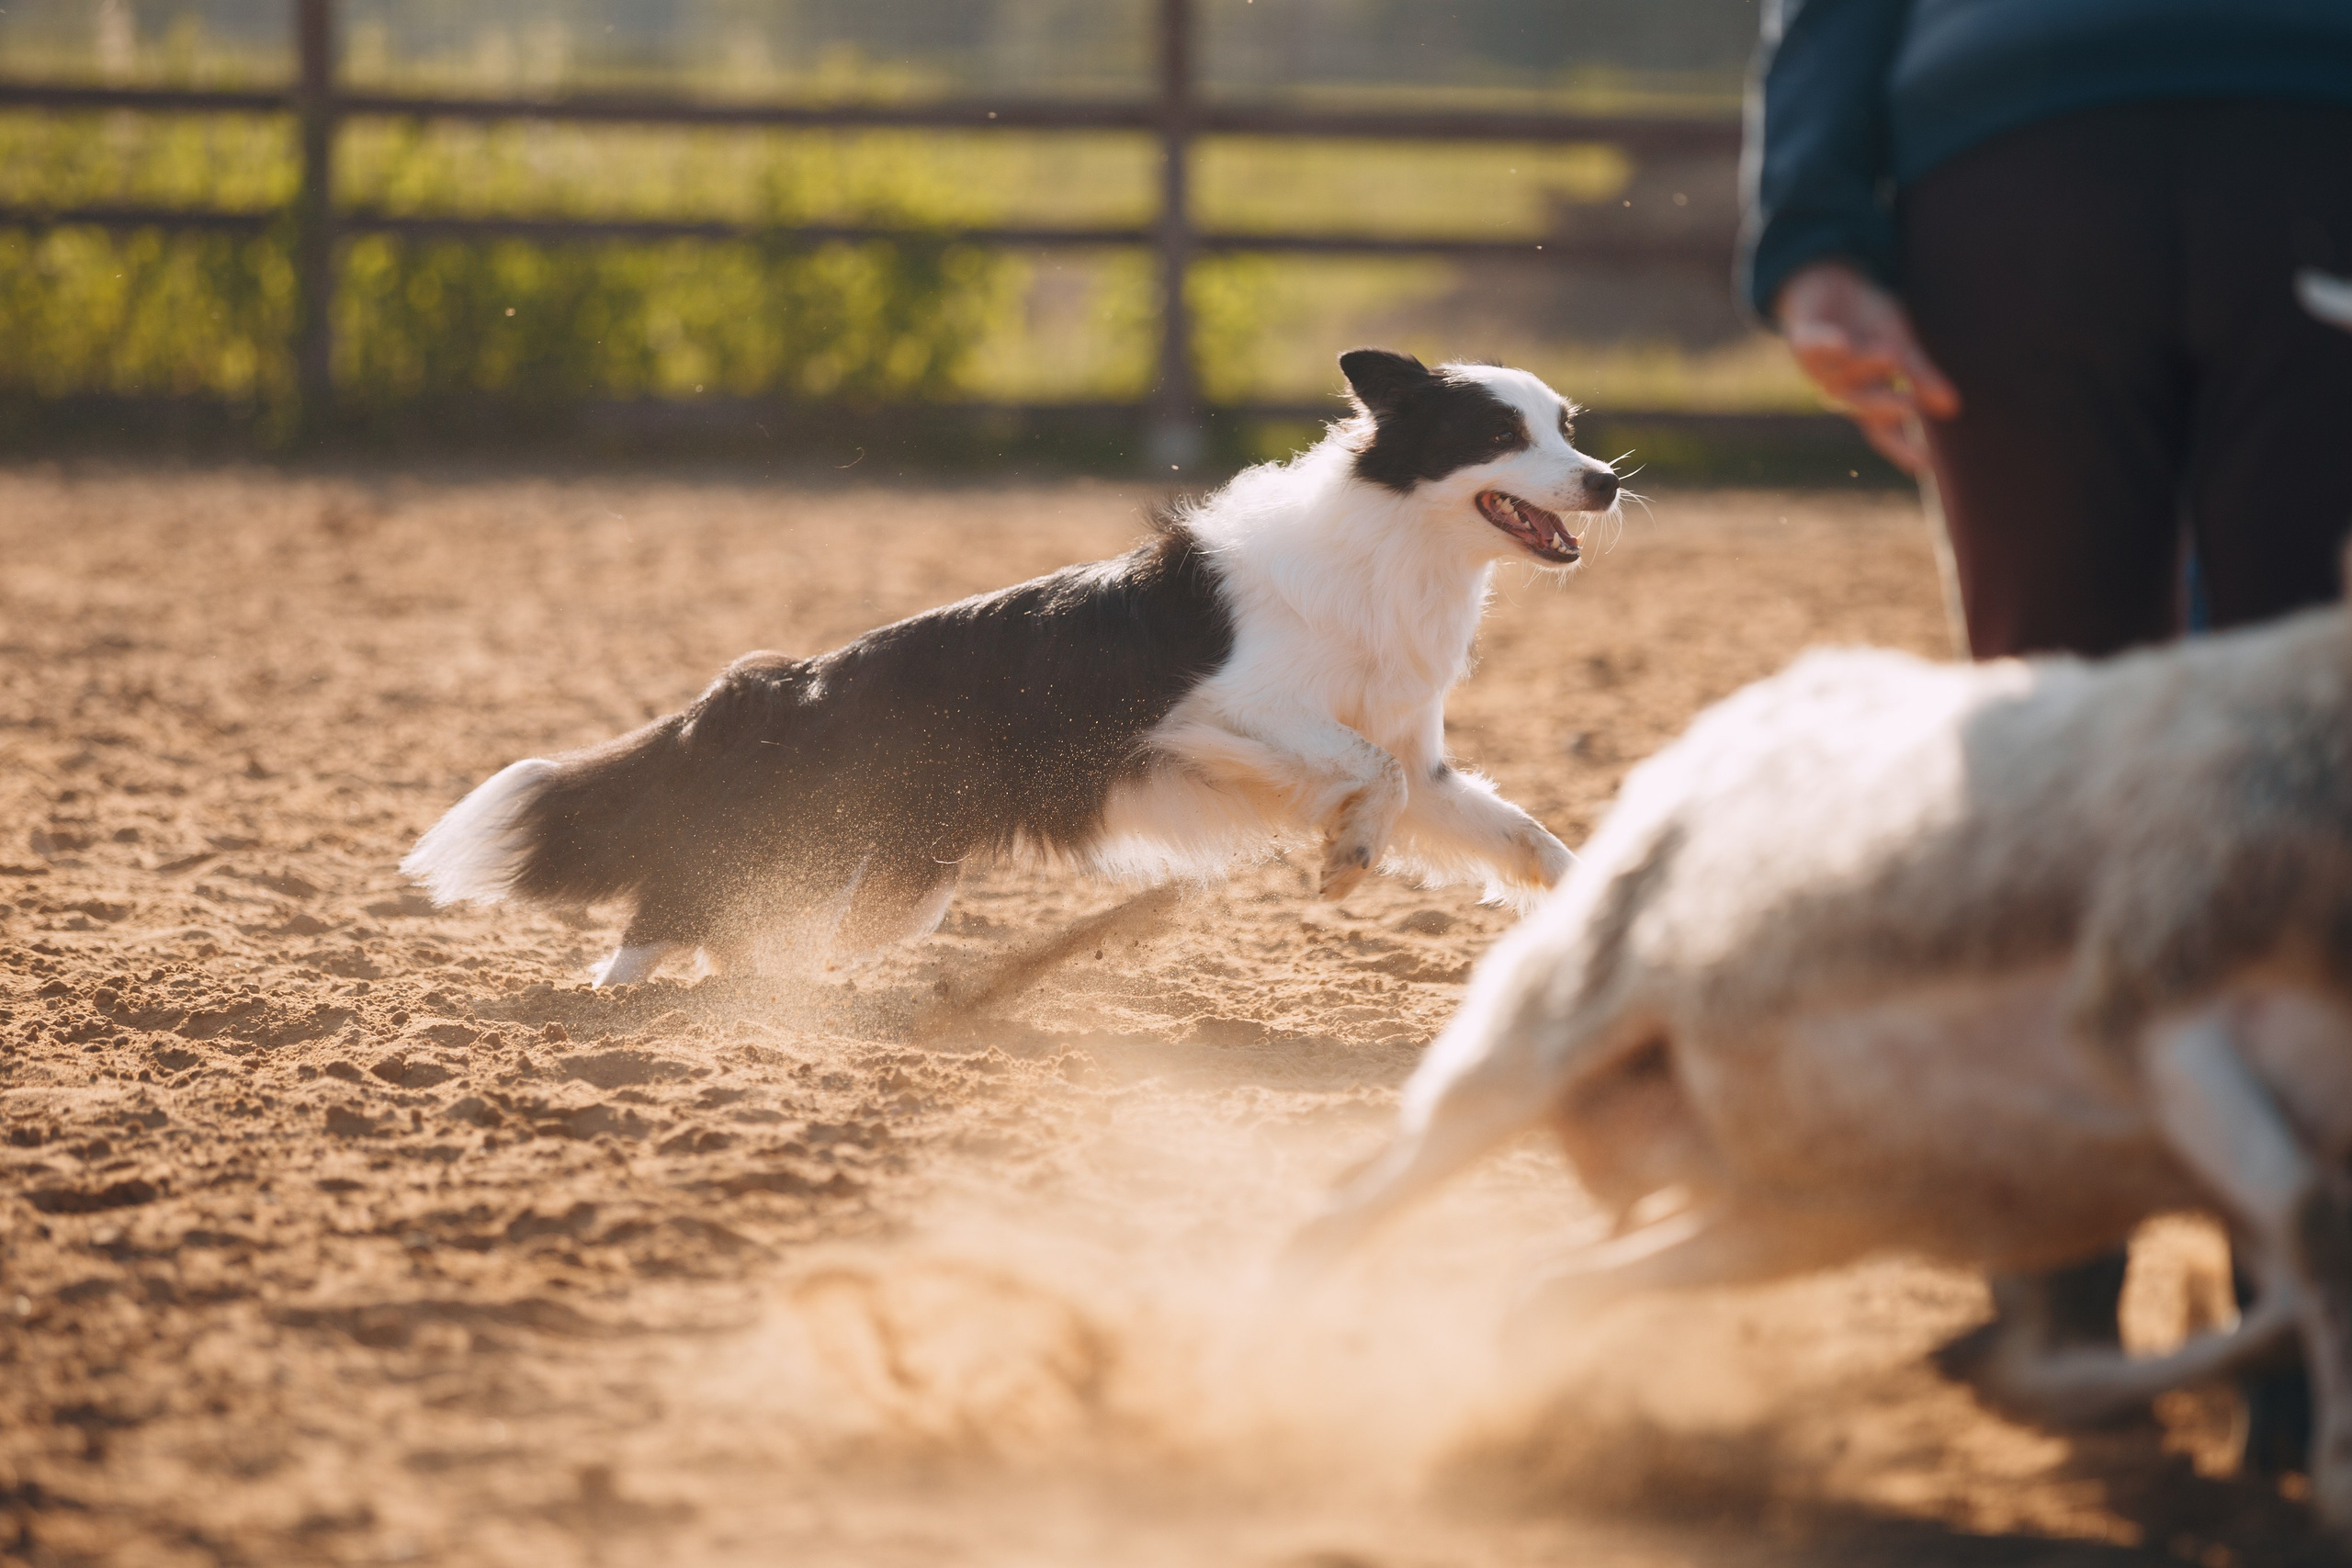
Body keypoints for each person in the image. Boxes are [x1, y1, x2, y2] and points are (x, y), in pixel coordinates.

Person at [1740, 0, 2352, 1472]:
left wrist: (1815, 231)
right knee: (2304, 761)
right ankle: (2301, 1341)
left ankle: (2058, 1304)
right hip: (2311, 131)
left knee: (2047, 722)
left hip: (2019, 162)